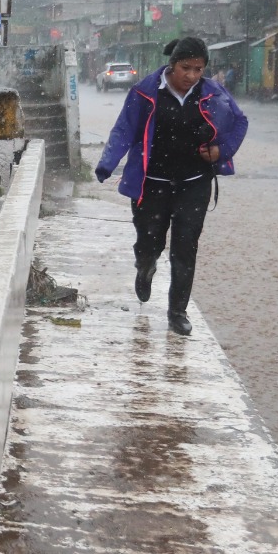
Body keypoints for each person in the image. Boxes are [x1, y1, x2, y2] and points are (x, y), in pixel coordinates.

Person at [95, 36, 249, 336]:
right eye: (185, 68)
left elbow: (240, 122)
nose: (191, 76)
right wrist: (107, 164)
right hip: (152, 184)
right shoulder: (146, 91)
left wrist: (222, 151)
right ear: (172, 65)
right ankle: (145, 265)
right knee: (148, 241)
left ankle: (177, 312)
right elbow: (125, 128)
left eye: (198, 69)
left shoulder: (213, 93)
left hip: (194, 183)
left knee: (185, 247)